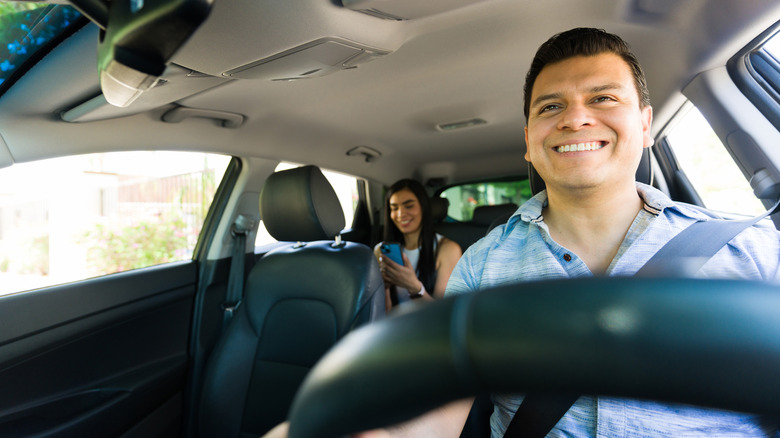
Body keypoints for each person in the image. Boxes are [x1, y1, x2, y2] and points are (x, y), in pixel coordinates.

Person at [264, 27, 780, 438]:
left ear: (645, 125)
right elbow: (444, 406)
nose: (576, 118)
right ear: (529, 142)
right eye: (550, 106)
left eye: (602, 98)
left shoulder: (751, 249)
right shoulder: (483, 263)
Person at [373, 179, 462, 311]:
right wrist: (384, 288)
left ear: (423, 207)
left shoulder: (448, 249)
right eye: (394, 208)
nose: (400, 214)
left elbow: (443, 314)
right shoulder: (382, 250)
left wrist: (415, 288)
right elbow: (381, 316)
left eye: (409, 206)